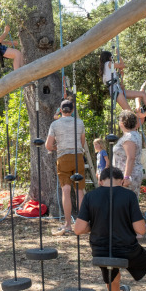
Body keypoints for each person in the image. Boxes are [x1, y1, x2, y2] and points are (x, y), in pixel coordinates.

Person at [46, 99, 86, 236]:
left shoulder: (55, 124)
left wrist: (57, 147)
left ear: (61, 110)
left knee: (66, 190)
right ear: (73, 110)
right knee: (80, 190)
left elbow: (48, 145)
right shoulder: (79, 122)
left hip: (63, 157)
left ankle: (68, 224)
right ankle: (81, 224)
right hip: (78, 156)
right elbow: (82, 141)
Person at [99, 51, 146, 121]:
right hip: (115, 91)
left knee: (142, 94)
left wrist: (121, 76)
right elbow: (122, 65)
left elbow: (120, 84)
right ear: (108, 57)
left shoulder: (109, 68)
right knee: (130, 113)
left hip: (118, 89)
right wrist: (118, 54)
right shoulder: (108, 64)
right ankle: (129, 128)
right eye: (111, 57)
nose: (112, 58)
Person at [112, 110, 143, 197]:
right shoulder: (134, 134)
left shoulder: (129, 137)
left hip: (127, 176)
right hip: (130, 174)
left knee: (125, 203)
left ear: (122, 123)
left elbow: (131, 157)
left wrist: (126, 177)